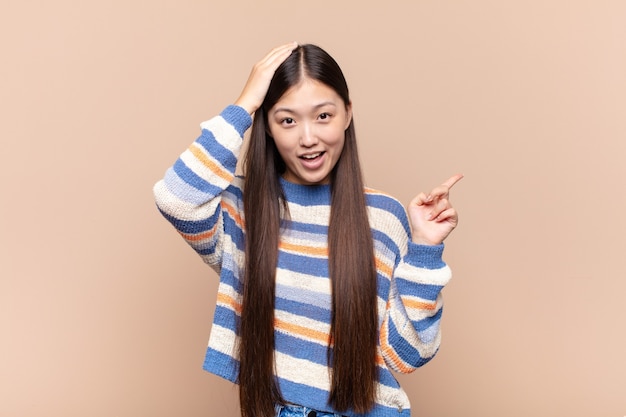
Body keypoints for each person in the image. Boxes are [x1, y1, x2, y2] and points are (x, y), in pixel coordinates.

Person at [153, 42, 462, 417]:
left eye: (323, 116)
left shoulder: (382, 218)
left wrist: (425, 249)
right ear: (266, 125)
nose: (308, 138)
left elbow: (408, 354)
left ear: (348, 114)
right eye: (287, 120)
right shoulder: (242, 210)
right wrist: (244, 104)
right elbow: (175, 198)